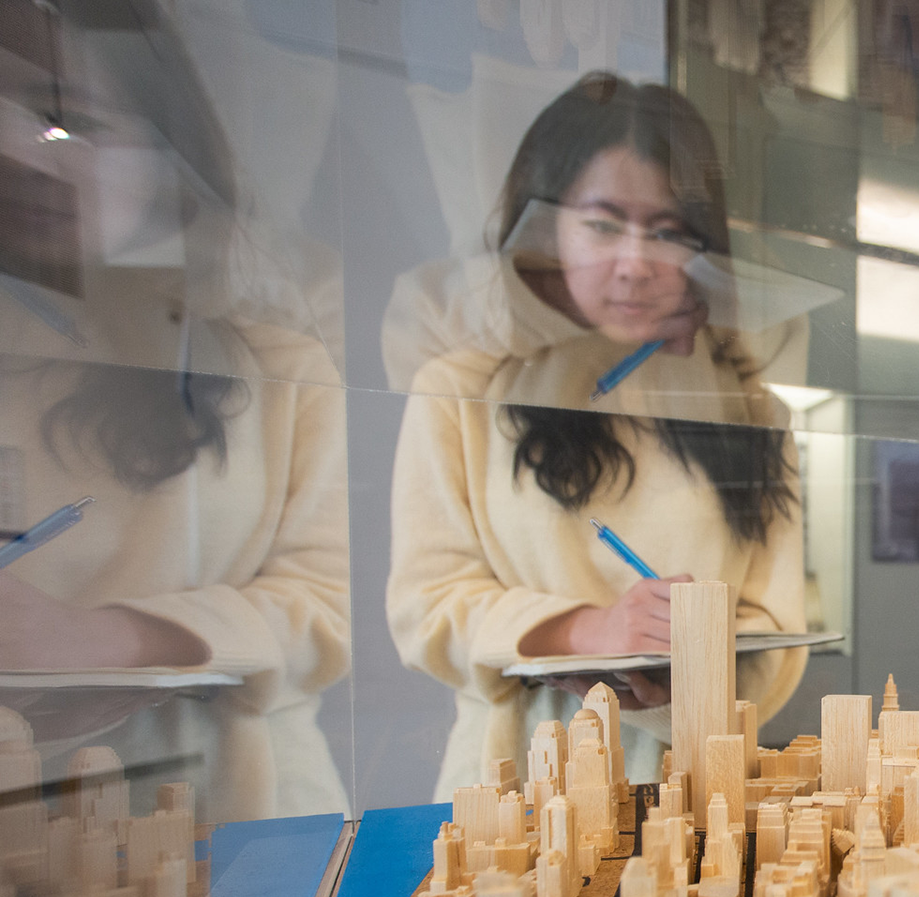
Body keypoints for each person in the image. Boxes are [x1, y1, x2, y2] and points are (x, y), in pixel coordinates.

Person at [385, 74, 806, 798]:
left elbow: (775, 628)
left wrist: (676, 682)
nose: (637, 263)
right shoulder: (462, 385)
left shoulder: (750, 407)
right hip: (515, 789)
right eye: (604, 223)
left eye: (669, 232)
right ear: (545, 227)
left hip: (698, 782)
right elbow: (426, 605)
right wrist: (584, 629)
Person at [0, 0, 349, 823]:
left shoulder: (268, 355)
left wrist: (108, 640)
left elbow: (327, 604)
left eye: (67, 121)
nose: (23, 153)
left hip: (242, 816)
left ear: (167, 146)